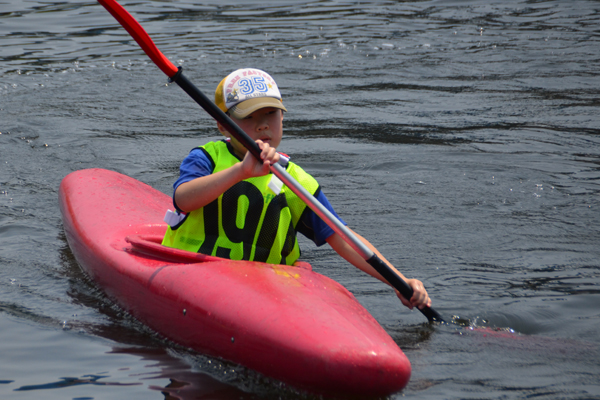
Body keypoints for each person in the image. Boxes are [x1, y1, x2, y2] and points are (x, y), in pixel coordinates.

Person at [162, 68, 431, 310]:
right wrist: (240, 172)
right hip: (194, 274)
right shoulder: (206, 158)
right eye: (249, 116)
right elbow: (183, 200)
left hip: (262, 289)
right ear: (222, 124)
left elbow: (343, 238)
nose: (263, 124)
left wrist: (398, 281)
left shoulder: (296, 180)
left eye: (270, 113)